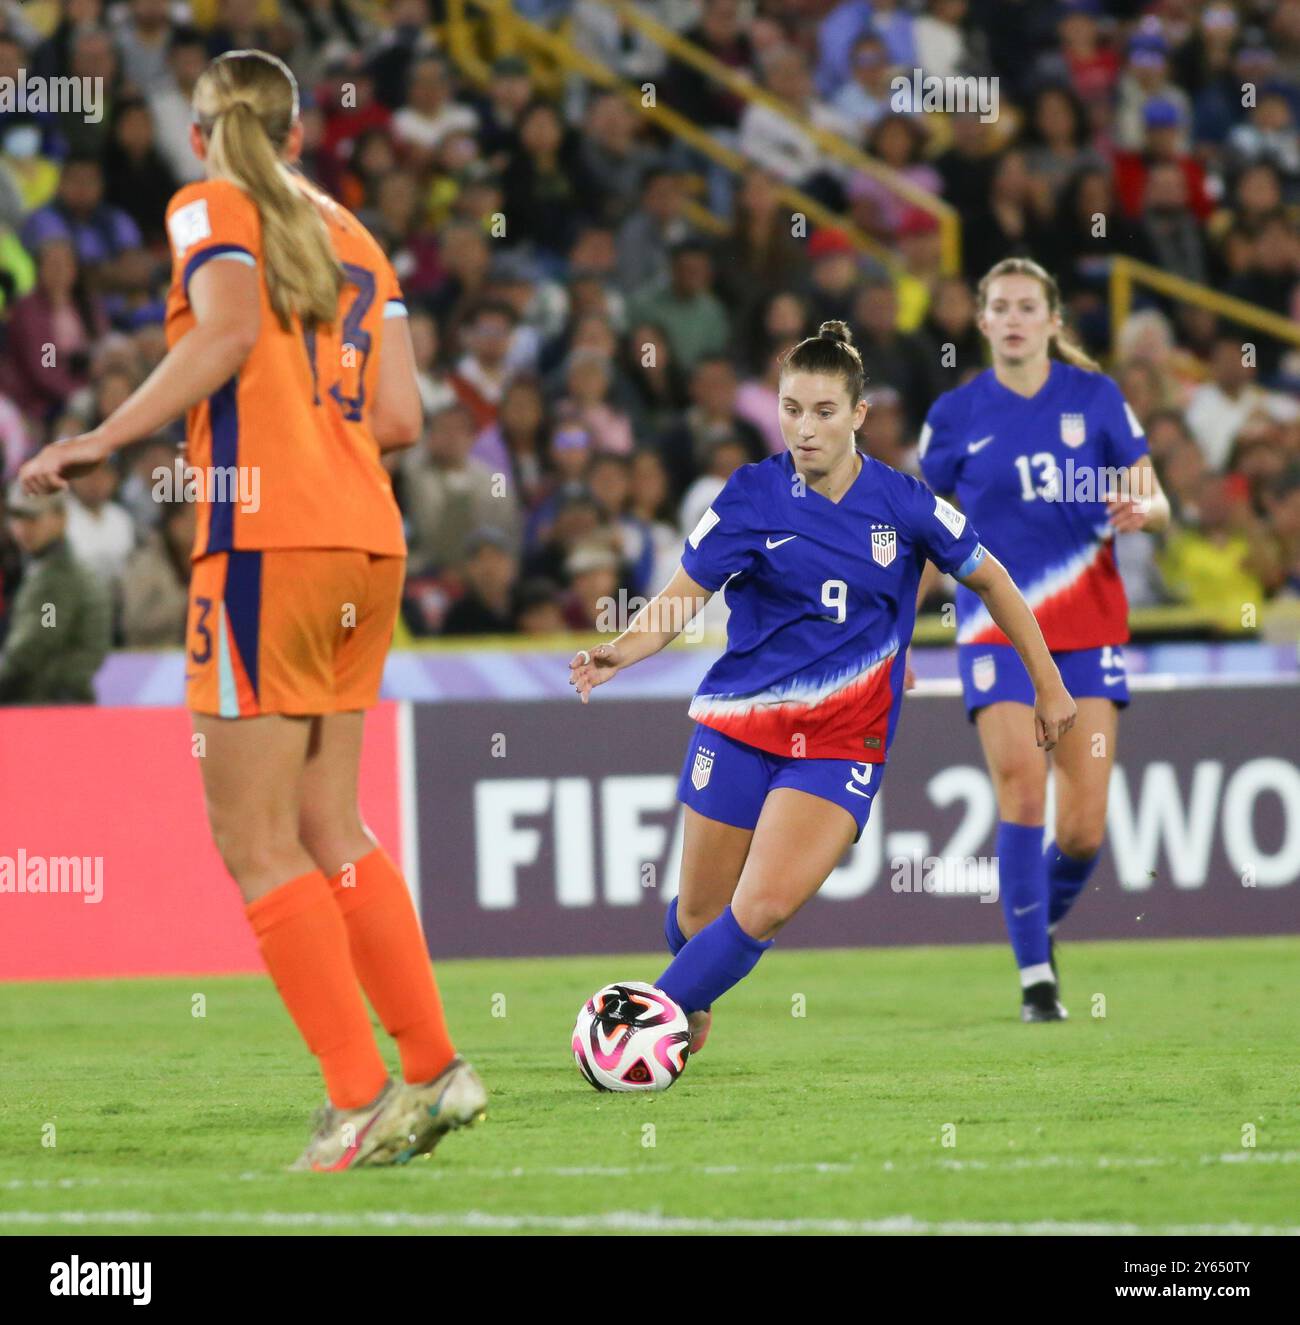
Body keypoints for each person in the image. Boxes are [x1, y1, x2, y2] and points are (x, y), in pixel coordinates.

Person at [18, 50, 484, 1169]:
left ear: (202, 130)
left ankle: (362, 1096)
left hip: (266, 542)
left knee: (252, 837)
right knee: (333, 825)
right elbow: (407, 413)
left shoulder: (210, 203)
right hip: (366, 540)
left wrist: (99, 437)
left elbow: (222, 333)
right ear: (298, 132)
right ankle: (433, 1066)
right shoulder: (359, 235)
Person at [569, 322, 1077, 1052]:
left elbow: (992, 577)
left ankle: (631, 1029)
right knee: (696, 918)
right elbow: (681, 598)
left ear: (859, 415)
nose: (804, 429)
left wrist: (1048, 682)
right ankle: (690, 990)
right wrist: (622, 650)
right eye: (791, 409)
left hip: (840, 745)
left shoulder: (904, 504)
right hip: (737, 726)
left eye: (824, 411)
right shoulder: (749, 495)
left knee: (765, 906)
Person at [918, 257, 1171, 1022]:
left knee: (1084, 828)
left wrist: (1143, 511)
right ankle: (1037, 981)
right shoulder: (955, 415)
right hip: (995, 629)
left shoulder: (1096, 398)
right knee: (1022, 789)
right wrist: (892, 628)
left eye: (1031, 305)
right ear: (984, 321)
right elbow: (916, 528)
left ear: (1055, 321)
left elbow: (1154, 497)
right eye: (1002, 306)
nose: (1017, 317)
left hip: (1089, 630)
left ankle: (1033, 920)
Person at [0, 482, 111, 705]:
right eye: (16, 517)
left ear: (61, 518)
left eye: (32, 517)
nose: (22, 527)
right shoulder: (48, 569)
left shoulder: (55, 580)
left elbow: (36, 642)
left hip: (48, 704)